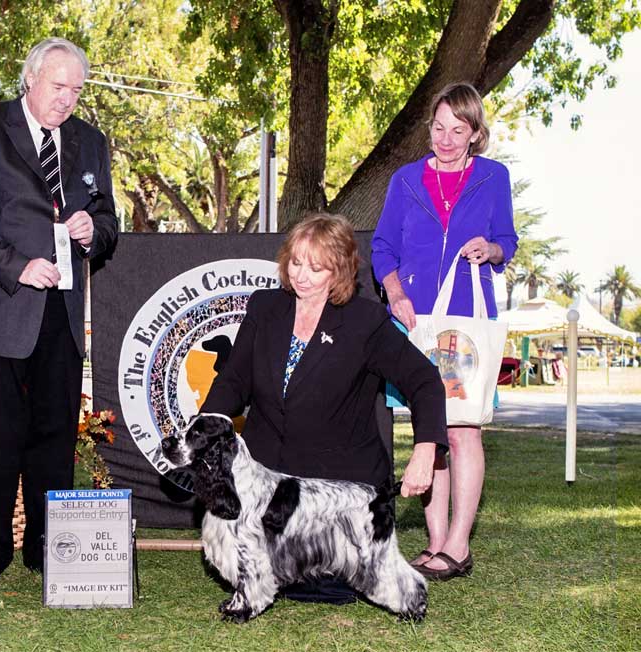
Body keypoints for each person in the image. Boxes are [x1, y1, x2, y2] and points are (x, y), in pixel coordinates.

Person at [0, 37, 118, 590]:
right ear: (31, 80)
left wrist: (97, 232)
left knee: (54, 435)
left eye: (76, 90)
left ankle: (52, 551)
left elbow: (109, 221)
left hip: (62, 315)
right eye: (58, 86)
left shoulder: (92, 142)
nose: (67, 99)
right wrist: (16, 265)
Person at [201, 212, 448, 603]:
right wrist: (207, 424)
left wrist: (426, 449)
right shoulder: (265, 308)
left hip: (338, 498)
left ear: (339, 272)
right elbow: (234, 380)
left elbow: (425, 381)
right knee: (250, 565)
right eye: (296, 262)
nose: (301, 275)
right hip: (269, 490)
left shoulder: (365, 321)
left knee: (328, 587)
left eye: (316, 267)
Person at [371, 82, 518, 581]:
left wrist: (491, 250)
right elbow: (383, 248)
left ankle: (459, 545)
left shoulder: (494, 178)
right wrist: (394, 292)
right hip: (415, 323)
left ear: (476, 133)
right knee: (428, 429)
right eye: (439, 127)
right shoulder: (405, 180)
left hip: (468, 326)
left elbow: (508, 242)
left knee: (462, 430)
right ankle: (435, 544)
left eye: (459, 129)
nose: (447, 138)